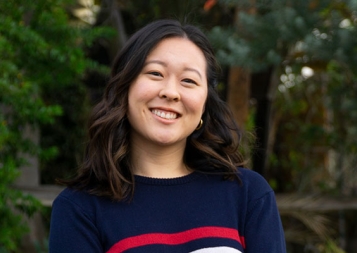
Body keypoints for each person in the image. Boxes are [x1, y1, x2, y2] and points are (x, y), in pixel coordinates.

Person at [49, 19, 286, 253]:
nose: (171, 92)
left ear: (205, 103)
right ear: (125, 87)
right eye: (155, 73)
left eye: (189, 81)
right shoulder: (80, 209)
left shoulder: (248, 195)